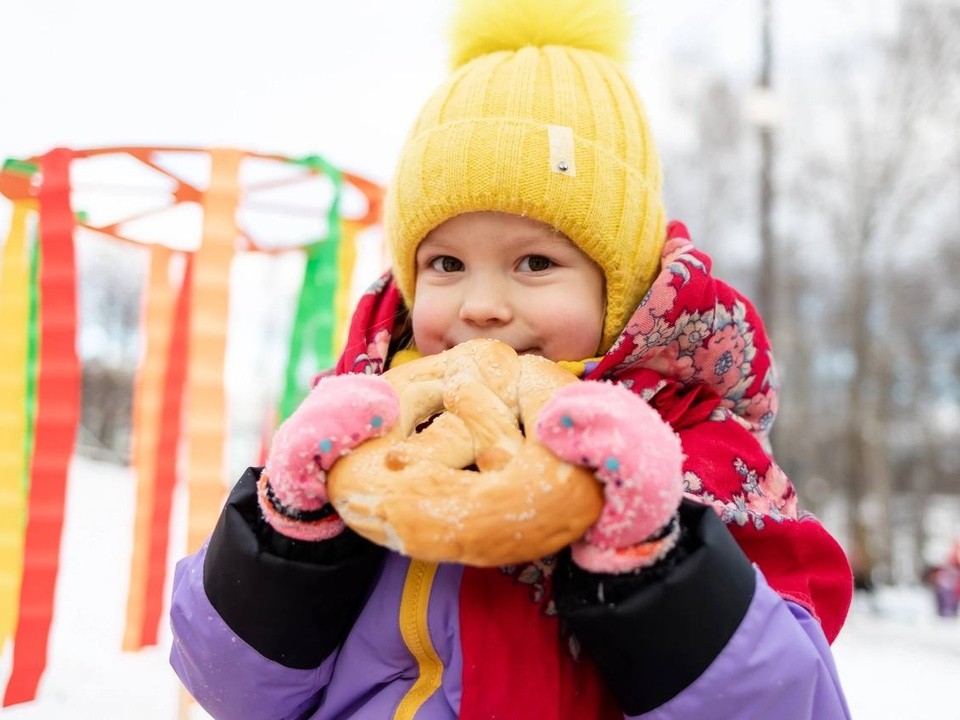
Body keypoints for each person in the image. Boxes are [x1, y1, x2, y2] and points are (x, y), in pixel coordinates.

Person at [169, 0, 854, 717]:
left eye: (534, 261)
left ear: (619, 291)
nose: (482, 305)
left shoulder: (703, 461)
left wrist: (657, 562)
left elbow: (794, 703)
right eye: (445, 263)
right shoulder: (361, 442)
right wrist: (287, 532)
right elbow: (230, 691)